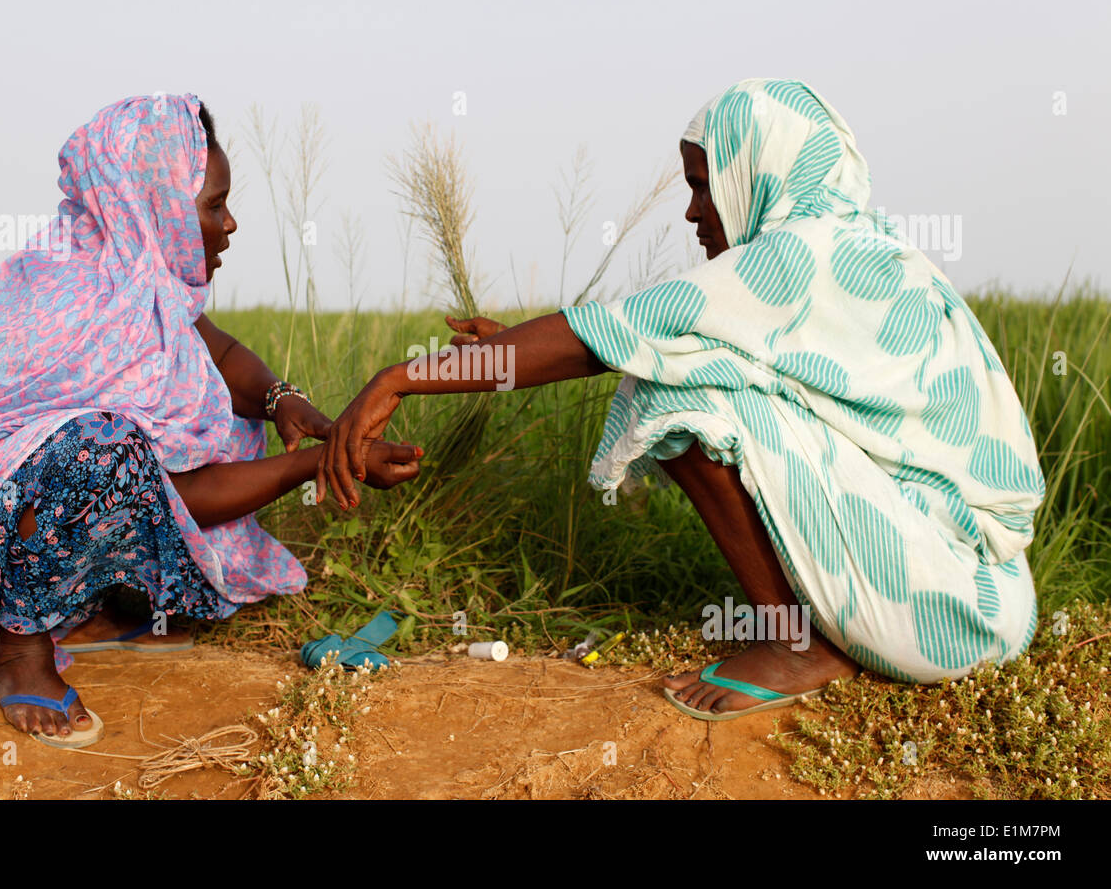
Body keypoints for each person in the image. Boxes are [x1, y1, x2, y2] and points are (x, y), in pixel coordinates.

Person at [318, 78, 1044, 720]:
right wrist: (518, 343)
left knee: (671, 386)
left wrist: (400, 377)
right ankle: (813, 634)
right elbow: (649, 335)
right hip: (990, 599)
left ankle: (795, 648)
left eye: (704, 183)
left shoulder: (796, 255)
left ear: (756, 171)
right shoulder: (862, 247)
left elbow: (614, 338)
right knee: (688, 361)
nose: (695, 212)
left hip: (947, 609)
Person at [0, 94, 422, 746]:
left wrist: (281, 401)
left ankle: (95, 607)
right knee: (101, 446)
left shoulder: (140, 279)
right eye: (213, 205)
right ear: (153, 206)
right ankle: (15, 647)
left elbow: (221, 351)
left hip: (22, 530)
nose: (230, 224)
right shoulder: (66, 290)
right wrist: (311, 462)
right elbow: (144, 489)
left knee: (153, 437)